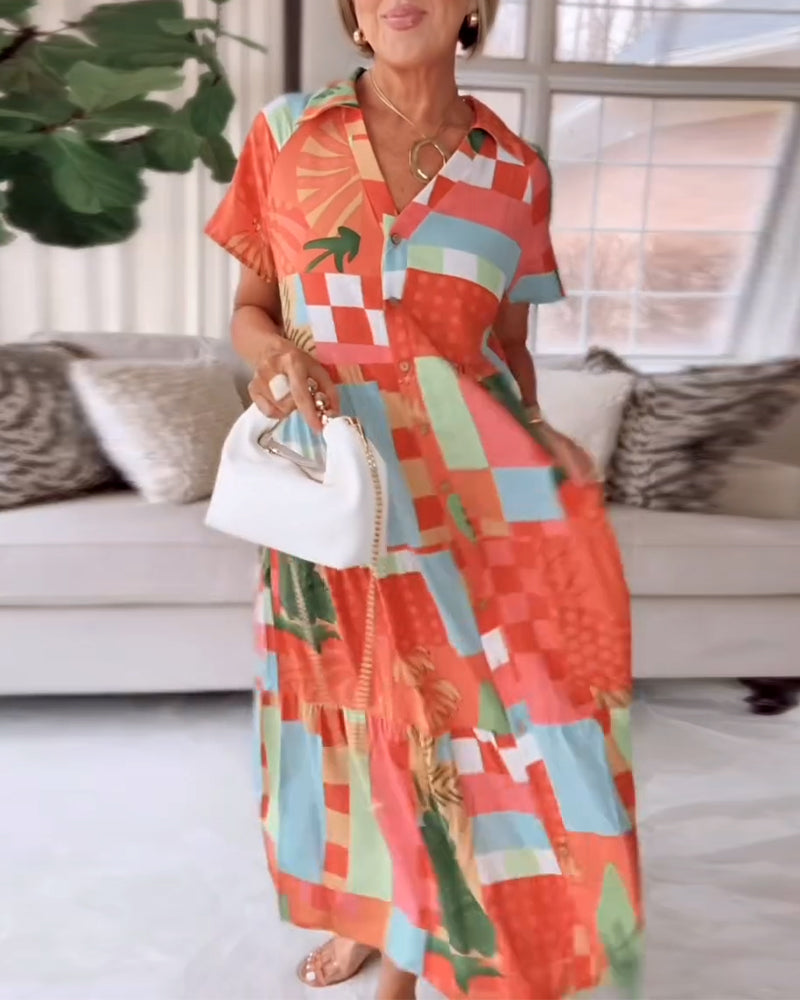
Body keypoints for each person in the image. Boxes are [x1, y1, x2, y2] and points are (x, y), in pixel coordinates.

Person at [206, 2, 642, 998]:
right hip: (334, 486)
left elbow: (508, 348)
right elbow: (251, 308)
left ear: (474, 7)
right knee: (347, 706)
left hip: (465, 488)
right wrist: (272, 356)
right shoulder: (287, 133)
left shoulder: (515, 169)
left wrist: (542, 435)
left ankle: (418, 941)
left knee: (460, 720)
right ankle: (368, 910)